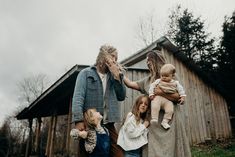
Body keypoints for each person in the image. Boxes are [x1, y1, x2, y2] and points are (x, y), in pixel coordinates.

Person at [123, 50, 191, 157]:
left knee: (171, 150)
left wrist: (160, 92)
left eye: (149, 60)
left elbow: (179, 98)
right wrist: (119, 73)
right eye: (146, 61)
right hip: (153, 123)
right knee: (154, 151)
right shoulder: (148, 80)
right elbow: (131, 84)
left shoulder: (171, 76)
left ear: (155, 61)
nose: (147, 63)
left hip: (170, 122)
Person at [72, 44, 126, 157]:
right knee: (87, 153)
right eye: (112, 57)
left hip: (108, 123)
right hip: (90, 123)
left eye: (116, 58)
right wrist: (78, 120)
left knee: (118, 153)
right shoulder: (85, 74)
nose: (115, 61)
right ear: (103, 57)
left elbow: (121, 96)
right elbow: (78, 98)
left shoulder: (115, 76)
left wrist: (117, 78)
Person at [149, 63, 186, 129]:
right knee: (155, 105)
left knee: (170, 110)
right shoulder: (158, 81)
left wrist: (182, 97)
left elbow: (181, 90)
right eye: (162, 75)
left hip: (168, 100)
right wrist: (151, 94)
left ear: (172, 76)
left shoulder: (175, 83)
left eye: (166, 76)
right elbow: (152, 86)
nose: (164, 77)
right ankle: (154, 118)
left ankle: (165, 121)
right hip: (158, 98)